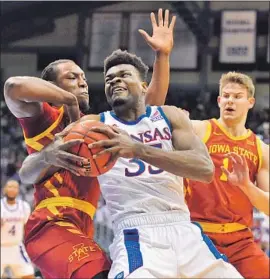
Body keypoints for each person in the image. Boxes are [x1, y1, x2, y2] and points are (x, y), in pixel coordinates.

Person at [19, 49, 244, 279]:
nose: (115, 80)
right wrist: (47, 155)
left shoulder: (170, 116)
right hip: (137, 234)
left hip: (185, 229)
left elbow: (205, 169)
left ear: (144, 86)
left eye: (124, 75)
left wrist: (138, 149)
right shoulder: (94, 128)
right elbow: (27, 173)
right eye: (109, 79)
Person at [4, 9, 176, 279]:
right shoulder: (48, 118)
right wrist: (68, 102)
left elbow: (149, 109)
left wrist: (163, 56)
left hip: (83, 228)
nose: (82, 82)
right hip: (51, 225)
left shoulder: (96, 127)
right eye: (72, 77)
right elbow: (14, 86)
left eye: (83, 77)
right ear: (48, 87)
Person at [183, 72, 269, 279]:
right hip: (199, 235)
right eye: (226, 96)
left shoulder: (261, 149)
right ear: (219, 100)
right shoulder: (200, 129)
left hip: (240, 240)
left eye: (237, 96)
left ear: (250, 102)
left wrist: (246, 185)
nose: (230, 100)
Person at [1, 180, 35, 279]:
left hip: (17, 246)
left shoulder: (24, 206)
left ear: (18, 190)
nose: (12, 189)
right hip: (1, 247)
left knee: (28, 275)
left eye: (14, 187)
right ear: (5, 189)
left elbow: (26, 228)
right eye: (9, 187)